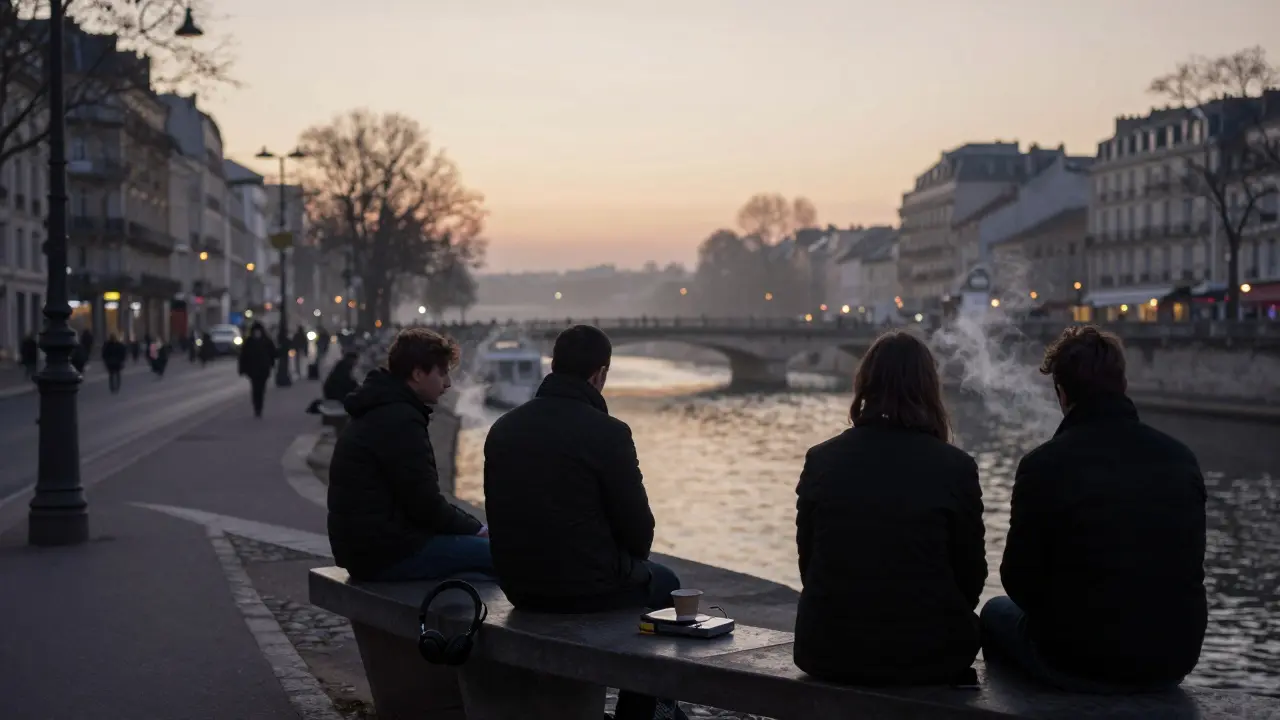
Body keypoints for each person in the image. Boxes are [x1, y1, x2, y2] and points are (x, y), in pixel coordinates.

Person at [982, 325, 1207, 693]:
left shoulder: (1043, 465)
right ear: (1123, 385)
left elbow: (1018, 582)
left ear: (1062, 394)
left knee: (995, 613)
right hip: (1173, 655)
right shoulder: (1181, 458)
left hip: (1078, 657)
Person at [484, 325, 682, 720]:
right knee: (666, 585)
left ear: (554, 366)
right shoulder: (608, 433)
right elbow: (640, 531)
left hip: (520, 586)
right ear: (599, 375)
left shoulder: (502, 428)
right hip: (585, 588)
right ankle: (641, 712)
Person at [792, 330, 985, 687]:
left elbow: (809, 564)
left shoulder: (822, 459)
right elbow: (970, 578)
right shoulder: (955, 467)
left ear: (864, 384)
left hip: (825, 649)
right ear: (929, 389)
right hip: (928, 656)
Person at [327, 327, 489, 582]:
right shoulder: (399, 419)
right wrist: (478, 529)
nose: (447, 384)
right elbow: (425, 504)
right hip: (385, 552)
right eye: (442, 373)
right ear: (417, 374)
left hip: (364, 547)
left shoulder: (383, 408)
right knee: (497, 555)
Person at [238, 323, 277, 418]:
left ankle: (259, 407)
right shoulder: (250, 341)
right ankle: (257, 407)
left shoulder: (265, 341)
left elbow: (273, 353)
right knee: (256, 389)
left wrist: (271, 363)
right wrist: (242, 369)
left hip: (263, 369)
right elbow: (243, 356)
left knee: (261, 389)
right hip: (253, 370)